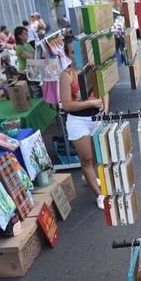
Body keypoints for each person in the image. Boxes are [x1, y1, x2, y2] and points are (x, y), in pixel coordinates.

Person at [59, 34, 109, 210]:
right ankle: (99, 195)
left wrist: (105, 108)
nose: (77, 55)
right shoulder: (66, 75)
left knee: (96, 156)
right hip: (78, 122)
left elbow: (104, 90)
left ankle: (88, 176)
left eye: (79, 50)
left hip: (96, 118)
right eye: (73, 52)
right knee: (87, 160)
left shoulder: (93, 68)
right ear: (68, 54)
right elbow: (67, 105)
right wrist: (90, 103)